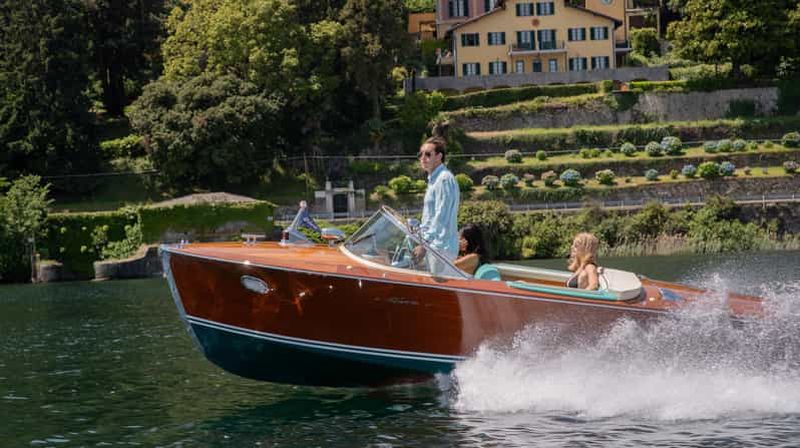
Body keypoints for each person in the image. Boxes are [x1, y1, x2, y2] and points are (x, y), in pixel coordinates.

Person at [413, 136, 460, 265]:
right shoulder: (434, 179)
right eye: (420, 154)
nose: (423, 158)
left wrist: (424, 244)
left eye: (428, 154)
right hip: (433, 247)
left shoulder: (444, 179)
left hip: (441, 248)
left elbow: (441, 216)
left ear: (439, 157)